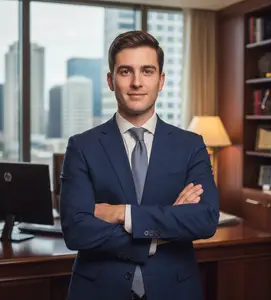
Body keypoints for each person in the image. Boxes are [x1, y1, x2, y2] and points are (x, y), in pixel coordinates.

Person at [60, 30, 219, 300]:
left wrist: (122, 213)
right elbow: (76, 230)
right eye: (125, 72)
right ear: (111, 81)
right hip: (99, 289)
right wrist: (164, 230)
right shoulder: (81, 146)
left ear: (161, 80)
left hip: (175, 288)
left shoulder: (191, 145)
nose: (136, 82)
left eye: (147, 71)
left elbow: (204, 220)